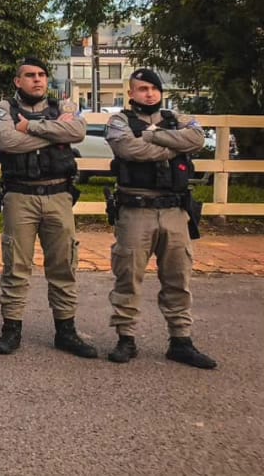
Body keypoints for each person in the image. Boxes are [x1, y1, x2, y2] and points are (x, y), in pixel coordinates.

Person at [104, 68, 216, 368]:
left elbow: (197, 140)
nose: (149, 93)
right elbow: (128, 149)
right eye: (142, 89)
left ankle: (181, 340)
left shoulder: (177, 119)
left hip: (174, 211)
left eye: (154, 88)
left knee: (179, 278)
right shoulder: (119, 121)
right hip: (135, 210)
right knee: (128, 276)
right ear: (131, 93)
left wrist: (155, 136)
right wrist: (172, 147)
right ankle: (125, 338)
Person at [0, 58, 96, 358]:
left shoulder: (65, 107)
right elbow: (6, 140)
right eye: (30, 75)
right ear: (17, 81)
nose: (37, 80)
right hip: (20, 196)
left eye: (42, 75)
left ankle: (66, 331)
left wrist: (31, 127)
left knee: (64, 265)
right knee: (16, 265)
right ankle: (11, 330)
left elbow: (77, 133)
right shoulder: (3, 109)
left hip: (58, 195)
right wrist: (50, 136)